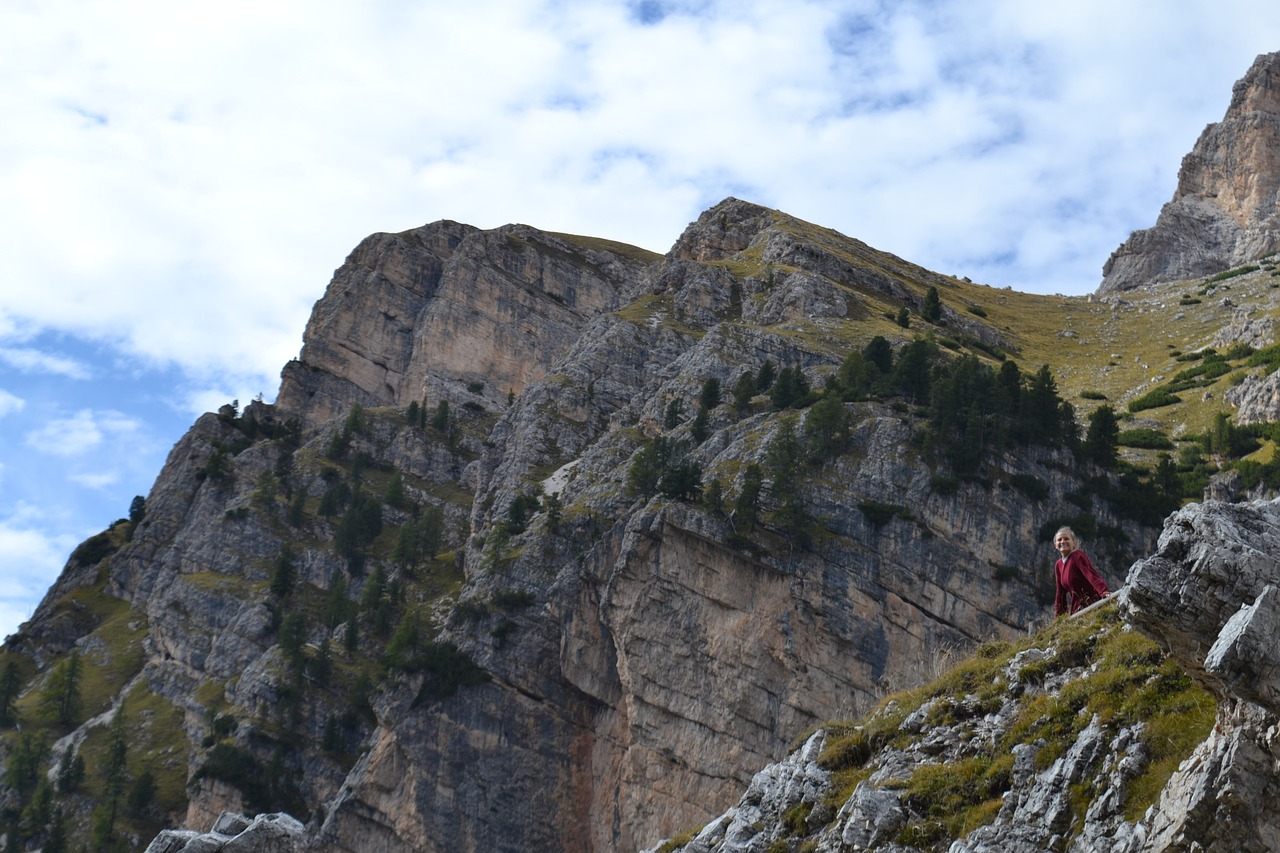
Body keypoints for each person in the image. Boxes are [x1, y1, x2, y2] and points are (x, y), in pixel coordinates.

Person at [1053, 526, 1109, 616]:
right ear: (1055, 545)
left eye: (1066, 539)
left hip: (1093, 603)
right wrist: (1059, 616)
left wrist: (1103, 591)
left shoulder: (1077, 556)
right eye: (1059, 540)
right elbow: (1060, 593)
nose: (1062, 542)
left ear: (1073, 543)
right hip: (1077, 609)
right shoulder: (1058, 565)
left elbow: (1091, 575)